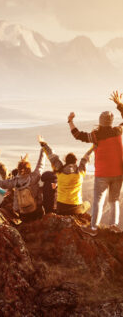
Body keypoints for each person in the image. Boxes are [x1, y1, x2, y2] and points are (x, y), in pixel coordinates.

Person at [68, 90, 123, 236]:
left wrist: (70, 121)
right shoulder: (118, 130)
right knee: (114, 200)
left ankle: (93, 229)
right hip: (118, 173)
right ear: (111, 122)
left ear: (100, 121)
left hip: (102, 174)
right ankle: (114, 226)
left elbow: (77, 135)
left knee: (99, 201)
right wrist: (119, 105)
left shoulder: (95, 136)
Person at [0, 148, 45, 222]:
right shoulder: (33, 178)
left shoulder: (14, 181)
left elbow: (1, 182)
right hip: (35, 211)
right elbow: (40, 165)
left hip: (22, 213)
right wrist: (43, 148)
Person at [38, 135, 95, 215]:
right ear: (75, 161)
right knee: (87, 204)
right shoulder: (80, 172)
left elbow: (52, 156)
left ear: (65, 161)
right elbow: (86, 157)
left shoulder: (59, 171)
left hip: (61, 208)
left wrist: (43, 144)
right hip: (75, 208)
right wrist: (95, 146)